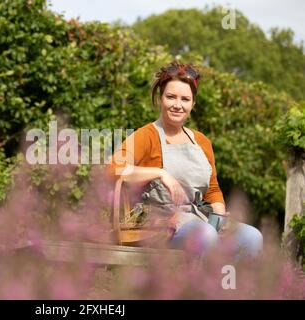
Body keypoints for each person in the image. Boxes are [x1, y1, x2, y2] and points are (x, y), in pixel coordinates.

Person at [107, 61, 263, 262]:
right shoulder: (146, 136)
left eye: (185, 99)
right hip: (161, 226)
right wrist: (160, 173)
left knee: (251, 237)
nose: (177, 105)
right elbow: (113, 169)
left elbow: (213, 190)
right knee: (205, 234)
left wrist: (220, 217)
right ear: (160, 99)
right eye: (171, 97)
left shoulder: (201, 141)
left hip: (202, 220)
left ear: (193, 104)